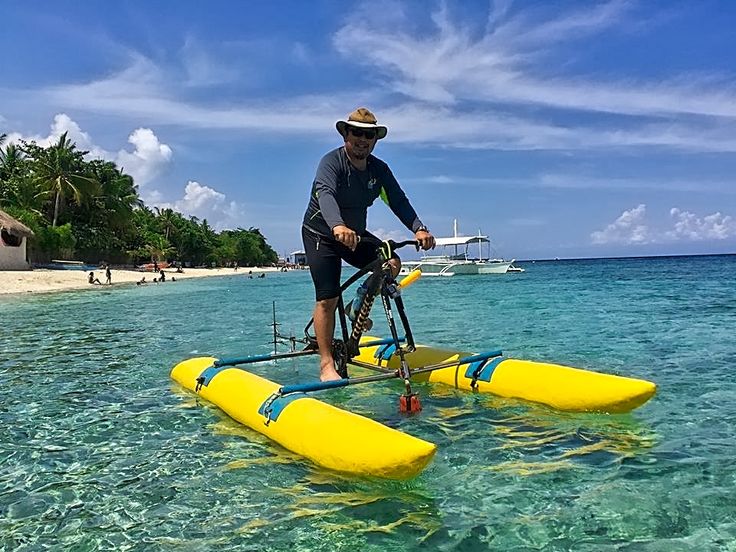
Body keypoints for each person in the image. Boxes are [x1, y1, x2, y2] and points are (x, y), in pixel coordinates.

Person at [301, 107, 435, 382]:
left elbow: (397, 201)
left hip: (354, 235)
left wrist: (419, 228)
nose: (363, 139)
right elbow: (325, 195)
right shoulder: (332, 163)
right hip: (321, 235)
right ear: (346, 135)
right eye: (357, 133)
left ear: (375, 139)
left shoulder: (379, 170)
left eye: (369, 135)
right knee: (327, 297)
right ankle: (327, 364)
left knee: (391, 262)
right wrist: (338, 226)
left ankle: (357, 303)